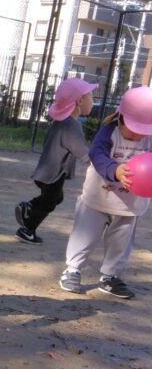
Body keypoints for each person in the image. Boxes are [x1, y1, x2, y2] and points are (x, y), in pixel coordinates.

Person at [59, 85, 152, 299]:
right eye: (134, 129)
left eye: (144, 130)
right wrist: (115, 170)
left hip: (129, 204)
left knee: (121, 243)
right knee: (85, 235)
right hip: (98, 198)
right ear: (121, 117)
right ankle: (73, 269)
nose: (138, 134)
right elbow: (97, 155)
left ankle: (110, 276)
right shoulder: (109, 131)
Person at [14, 77, 98, 243]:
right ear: (80, 100)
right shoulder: (71, 125)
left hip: (47, 171)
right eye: (91, 97)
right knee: (49, 203)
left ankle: (29, 207)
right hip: (54, 173)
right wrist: (100, 164)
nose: (93, 102)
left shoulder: (63, 121)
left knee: (56, 197)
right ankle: (27, 230)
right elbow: (82, 151)